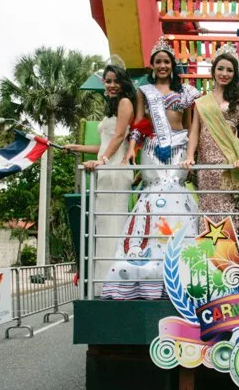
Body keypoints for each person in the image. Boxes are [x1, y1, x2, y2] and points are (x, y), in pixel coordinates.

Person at [101, 37, 200, 300]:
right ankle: (146, 266)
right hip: (152, 149)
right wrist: (133, 147)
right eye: (158, 62)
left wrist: (191, 155)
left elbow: (191, 128)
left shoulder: (187, 92)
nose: (163, 65)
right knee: (152, 195)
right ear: (153, 66)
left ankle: (181, 264)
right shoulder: (144, 91)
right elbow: (141, 123)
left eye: (167, 61)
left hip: (178, 149)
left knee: (175, 196)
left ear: (172, 64)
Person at [64, 63, 135, 294]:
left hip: (115, 169)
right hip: (104, 168)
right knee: (102, 226)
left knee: (114, 225)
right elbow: (104, 144)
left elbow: (120, 137)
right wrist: (78, 147)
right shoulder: (110, 108)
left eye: (116, 81)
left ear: (123, 82)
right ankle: (102, 284)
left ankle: (116, 284)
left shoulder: (125, 103)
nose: (112, 85)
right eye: (108, 81)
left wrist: (103, 160)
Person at [181, 46, 239, 232]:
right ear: (213, 71)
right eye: (220, 68)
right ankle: (207, 254)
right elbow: (195, 131)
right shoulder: (201, 102)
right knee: (207, 206)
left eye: (229, 70)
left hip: (229, 162)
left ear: (235, 73)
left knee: (228, 207)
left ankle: (230, 253)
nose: (224, 73)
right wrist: (190, 156)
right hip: (206, 165)